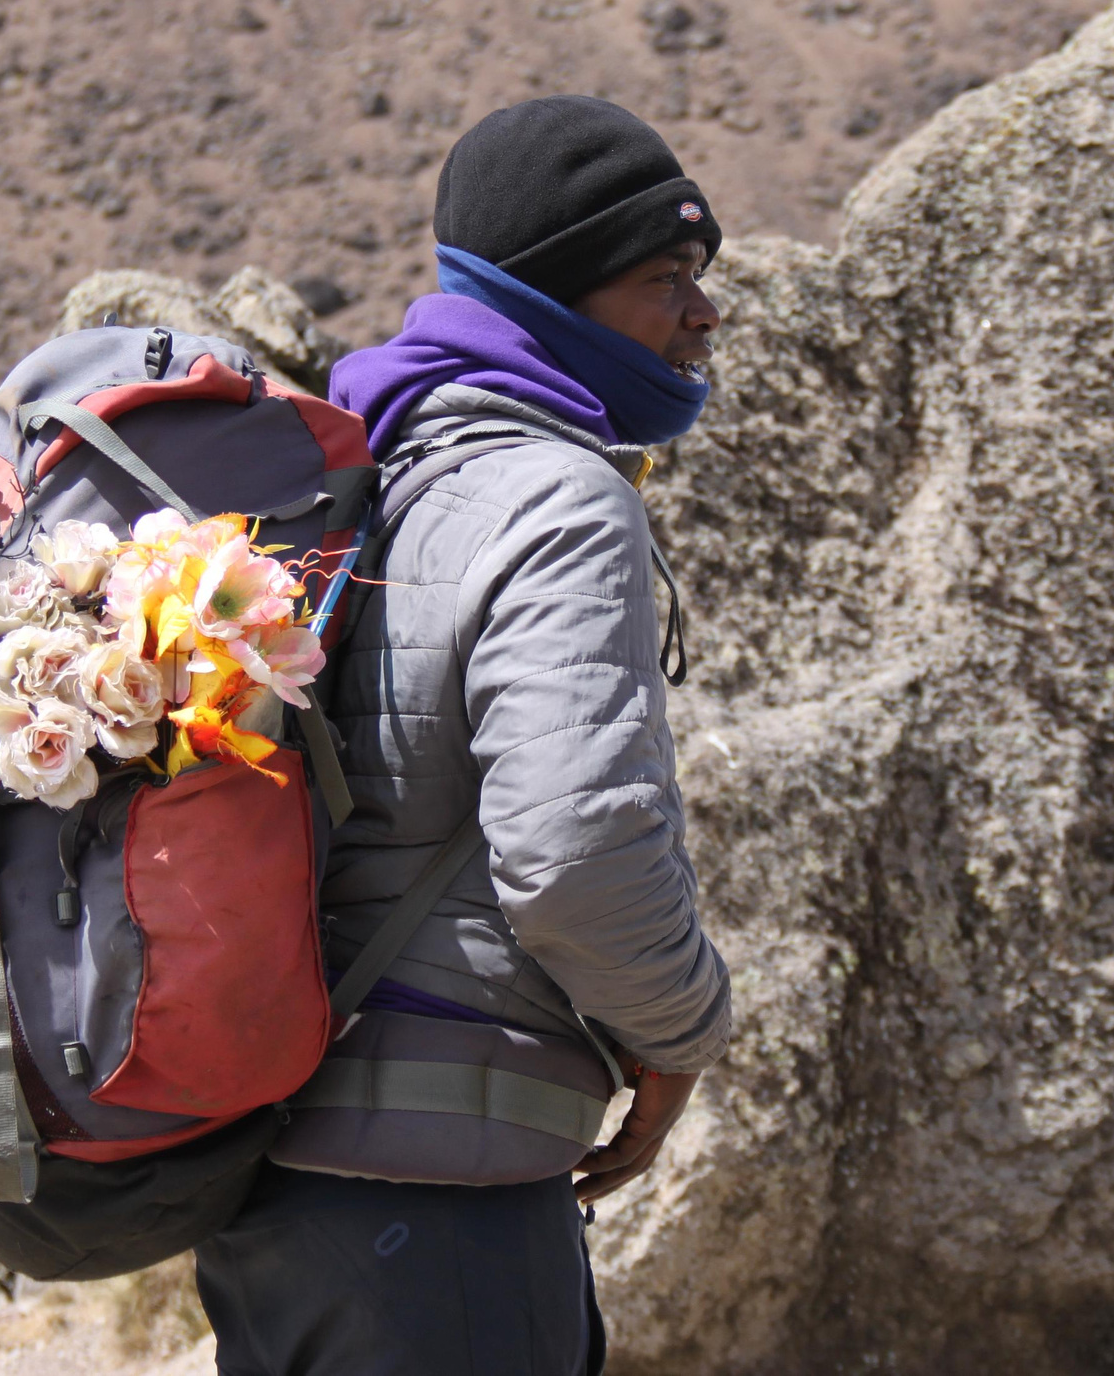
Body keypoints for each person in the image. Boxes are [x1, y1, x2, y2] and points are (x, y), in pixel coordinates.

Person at [191, 96, 735, 1375]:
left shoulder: (364, 487)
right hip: (443, 1208)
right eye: (667, 279)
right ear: (553, 300)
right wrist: (681, 1035)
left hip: (275, 1192)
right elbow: (579, 855)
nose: (705, 315)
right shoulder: (556, 501)